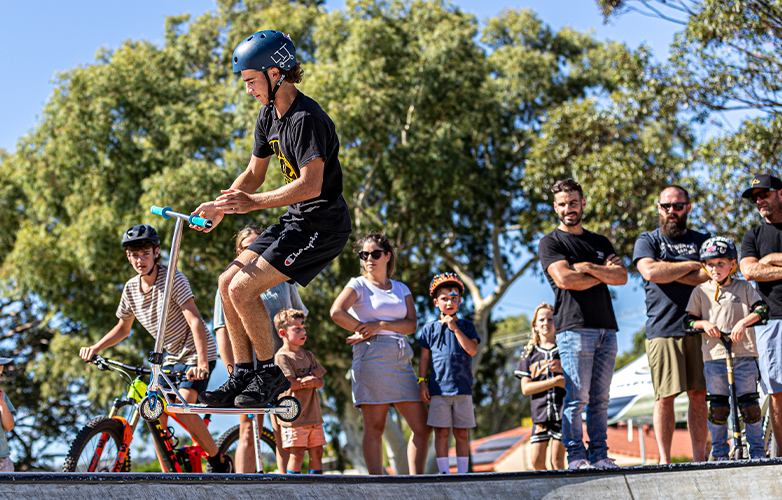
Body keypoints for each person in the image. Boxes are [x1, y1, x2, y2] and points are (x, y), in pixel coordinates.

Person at [193, 30, 351, 410]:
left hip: (323, 226)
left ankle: (269, 372)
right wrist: (222, 205)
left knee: (244, 288)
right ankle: (243, 374)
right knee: (226, 282)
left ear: (275, 73)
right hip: (297, 219)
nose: (248, 90)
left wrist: (252, 204)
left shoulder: (306, 118)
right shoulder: (268, 116)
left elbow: (311, 185)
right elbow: (253, 174)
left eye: (251, 81)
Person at [78, 225, 231, 472]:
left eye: (145, 253)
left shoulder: (173, 278)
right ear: (128, 257)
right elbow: (122, 329)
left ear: (156, 252)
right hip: (169, 358)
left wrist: (202, 362)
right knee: (154, 411)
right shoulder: (129, 289)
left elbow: (195, 320)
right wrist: (96, 347)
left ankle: (217, 460)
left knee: (180, 406)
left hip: (196, 354)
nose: (140, 260)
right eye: (135, 255)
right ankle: (170, 469)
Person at [537, 178, 628, 469]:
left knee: (600, 399)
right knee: (577, 398)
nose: (568, 208)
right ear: (555, 208)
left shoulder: (600, 242)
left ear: (583, 203)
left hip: (607, 328)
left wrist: (587, 267)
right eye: (562, 204)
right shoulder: (551, 242)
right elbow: (565, 280)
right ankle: (576, 456)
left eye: (573, 202)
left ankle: (599, 455)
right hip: (573, 328)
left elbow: (622, 277)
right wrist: (604, 272)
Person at [330, 233, 430, 475]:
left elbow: (411, 325)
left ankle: (418, 482)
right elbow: (337, 312)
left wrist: (380, 325)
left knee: (422, 426)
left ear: (387, 256)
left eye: (375, 254)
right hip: (371, 356)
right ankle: (377, 485)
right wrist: (362, 330)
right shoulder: (358, 284)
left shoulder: (401, 288)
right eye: (364, 255)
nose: (369, 259)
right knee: (375, 427)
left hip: (400, 359)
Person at [213, 225, 309, 472]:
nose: (256, 254)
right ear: (239, 252)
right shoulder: (230, 284)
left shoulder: (283, 281)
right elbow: (222, 330)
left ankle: (284, 486)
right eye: (249, 249)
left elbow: (297, 318)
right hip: (250, 369)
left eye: (262, 248)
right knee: (248, 428)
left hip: (280, 367)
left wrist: (297, 357)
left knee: (283, 426)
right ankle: (243, 489)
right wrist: (236, 373)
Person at [632, 185, 711, 464]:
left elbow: (708, 275)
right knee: (665, 396)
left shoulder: (704, 240)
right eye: (666, 206)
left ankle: (700, 459)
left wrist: (669, 268)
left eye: (678, 206)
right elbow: (650, 271)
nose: (672, 211)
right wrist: (689, 266)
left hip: (701, 327)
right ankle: (664, 462)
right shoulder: (647, 240)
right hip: (663, 329)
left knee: (699, 395)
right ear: (658, 208)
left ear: (688, 207)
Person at [684, 236, 768, 460]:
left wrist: (743, 322)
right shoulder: (700, 292)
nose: (715, 268)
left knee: (750, 406)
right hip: (715, 356)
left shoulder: (744, 287)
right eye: (710, 264)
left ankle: (757, 452)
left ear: (733, 263)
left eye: (720, 263)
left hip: (744, 354)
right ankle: (720, 453)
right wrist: (704, 324)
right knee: (719, 408)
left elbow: (762, 310)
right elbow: (688, 321)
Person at [417, 273, 479, 475]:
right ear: (436, 302)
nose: (449, 302)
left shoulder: (467, 326)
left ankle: (462, 474)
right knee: (441, 432)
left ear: (460, 301)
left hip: (463, 388)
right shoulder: (429, 329)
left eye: (454, 298)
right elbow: (425, 358)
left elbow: (472, 350)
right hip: (438, 390)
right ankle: (444, 473)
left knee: (462, 433)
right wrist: (422, 382)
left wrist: (455, 329)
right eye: (444, 298)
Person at [740, 173, 782, 453]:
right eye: (755, 197)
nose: (759, 200)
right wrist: (763, 263)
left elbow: (761, 267)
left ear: (780, 193)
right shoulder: (753, 235)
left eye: (764, 194)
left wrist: (772, 260)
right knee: (777, 391)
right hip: (773, 320)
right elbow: (749, 270)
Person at [273, 309, 327, 474]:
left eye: (303, 327)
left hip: (313, 415)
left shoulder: (309, 355)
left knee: (317, 453)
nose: (303, 331)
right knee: (296, 454)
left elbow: (320, 381)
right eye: (297, 329)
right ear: (283, 333)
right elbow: (289, 384)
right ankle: (293, 490)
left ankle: (316, 489)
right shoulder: (282, 357)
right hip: (294, 417)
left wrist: (312, 381)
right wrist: (309, 380)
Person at [515, 303, 566, 470]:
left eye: (550, 319)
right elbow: (526, 388)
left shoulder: (564, 350)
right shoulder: (529, 353)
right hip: (540, 415)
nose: (546, 323)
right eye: (542, 320)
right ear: (535, 325)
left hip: (562, 413)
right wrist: (555, 382)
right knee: (536, 461)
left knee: (557, 461)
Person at [0, 357, 15, 472]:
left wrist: (2, 403)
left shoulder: (2, 396)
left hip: (3, 461)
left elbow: (9, 426)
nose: (0, 379)